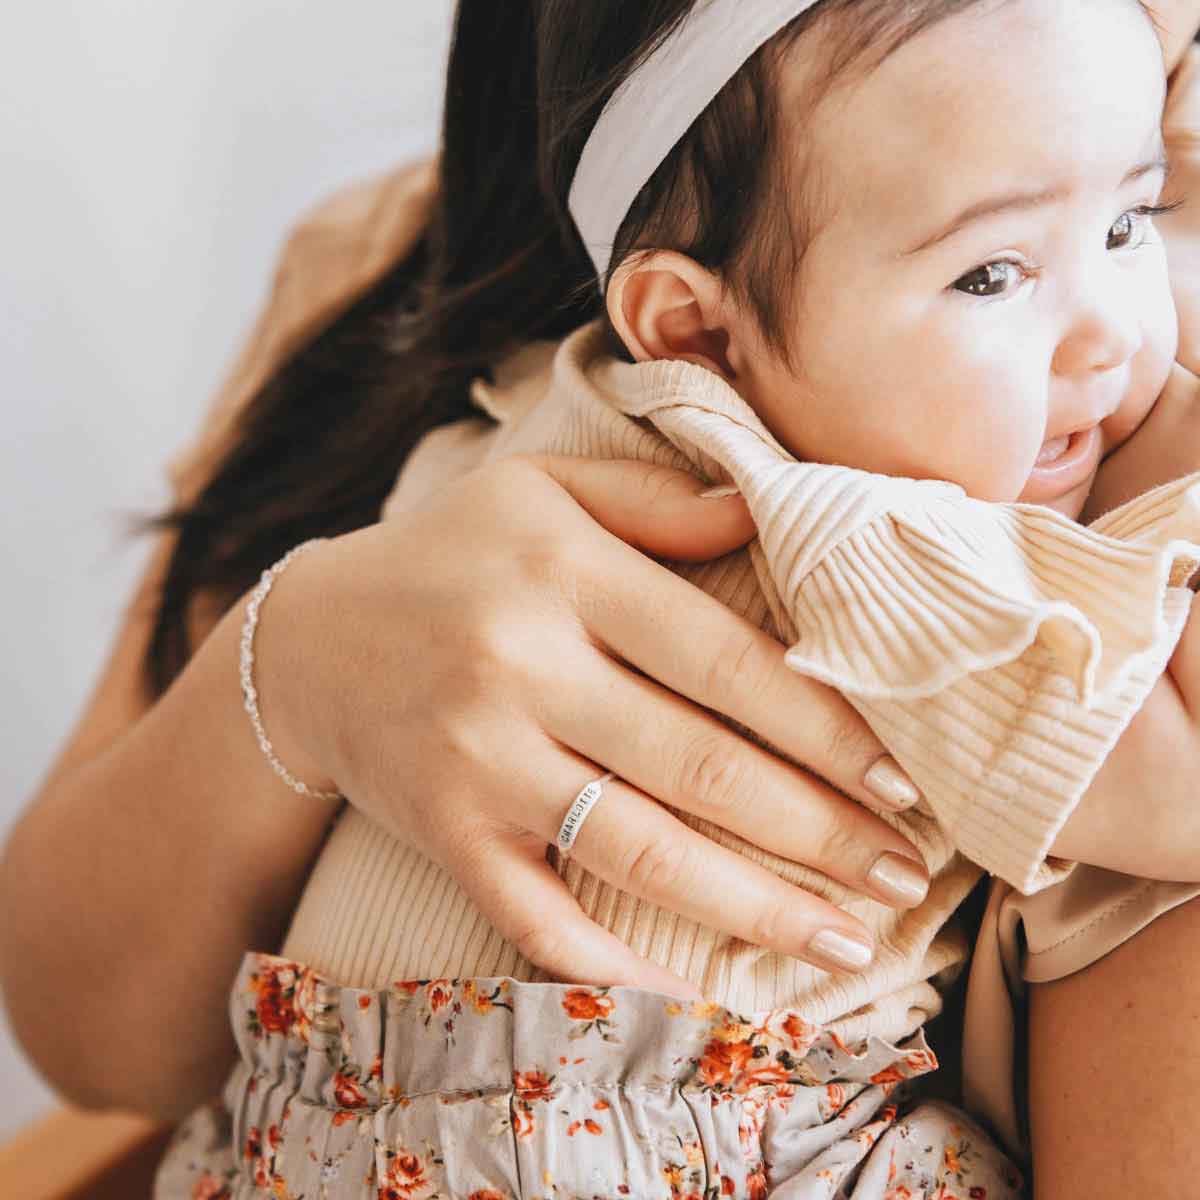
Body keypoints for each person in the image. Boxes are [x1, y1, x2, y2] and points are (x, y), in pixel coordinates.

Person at [1, 0, 1199, 1196]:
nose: (1109, 339)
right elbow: (1170, 792)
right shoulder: (869, 533)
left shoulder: (516, 403)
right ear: (693, 331)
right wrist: (292, 668)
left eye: (1128, 224)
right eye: (992, 275)